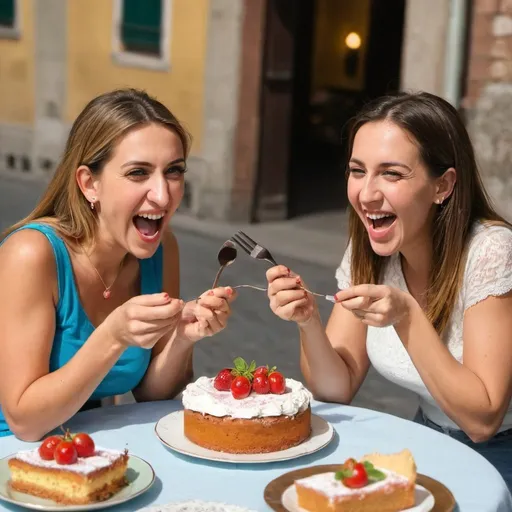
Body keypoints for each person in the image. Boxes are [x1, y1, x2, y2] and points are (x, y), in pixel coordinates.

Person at [266, 91, 512, 489]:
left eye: (392, 174)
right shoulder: (372, 246)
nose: (366, 194)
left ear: (443, 186)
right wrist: (308, 321)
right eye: (357, 170)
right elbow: (336, 388)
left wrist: (407, 316)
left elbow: (482, 419)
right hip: (428, 440)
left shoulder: (491, 250)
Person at [0, 89, 236, 441]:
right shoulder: (31, 255)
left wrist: (183, 339)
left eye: (173, 171)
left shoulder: (161, 249)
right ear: (89, 183)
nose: (163, 194)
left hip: (86, 448)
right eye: (138, 173)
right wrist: (112, 336)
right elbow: (24, 422)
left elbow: (151, 394)